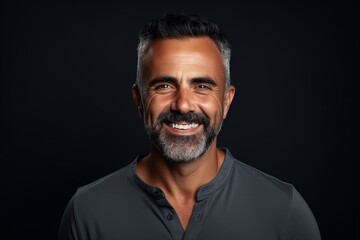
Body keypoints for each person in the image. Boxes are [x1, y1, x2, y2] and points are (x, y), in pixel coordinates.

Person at [59, 13, 321, 240]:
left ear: (226, 101)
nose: (183, 105)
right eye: (164, 86)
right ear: (139, 100)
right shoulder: (87, 212)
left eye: (202, 86)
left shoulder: (284, 211)